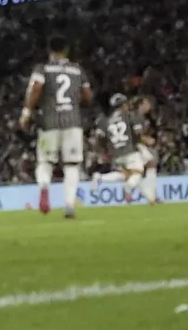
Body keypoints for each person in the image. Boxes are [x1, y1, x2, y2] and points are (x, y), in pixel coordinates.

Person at [21, 34, 92, 218]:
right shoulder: (77, 70)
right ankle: (69, 206)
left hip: (49, 122)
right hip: (73, 122)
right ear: (66, 50)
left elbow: (36, 89)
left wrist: (27, 113)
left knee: (45, 161)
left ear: (49, 51)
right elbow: (88, 95)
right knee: (72, 165)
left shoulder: (42, 68)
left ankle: (44, 187)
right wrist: (76, 100)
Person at [93, 94, 156, 204]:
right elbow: (137, 133)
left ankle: (100, 178)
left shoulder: (107, 120)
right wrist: (146, 139)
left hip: (116, 153)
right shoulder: (129, 116)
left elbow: (100, 138)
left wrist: (103, 152)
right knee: (137, 173)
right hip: (130, 150)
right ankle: (128, 188)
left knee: (125, 175)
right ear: (123, 105)